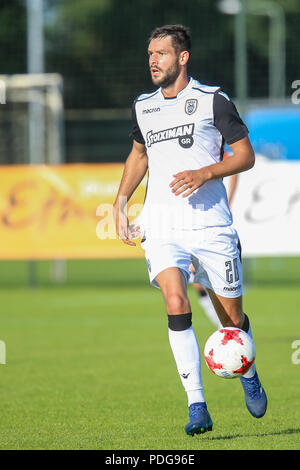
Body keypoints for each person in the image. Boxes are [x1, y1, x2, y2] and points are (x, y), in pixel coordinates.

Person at [113, 24, 267, 436]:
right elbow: (138, 156)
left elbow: (246, 156)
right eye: (149, 54)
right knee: (176, 300)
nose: (153, 60)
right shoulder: (143, 106)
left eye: (161, 53)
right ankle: (196, 404)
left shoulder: (212, 100)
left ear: (182, 57)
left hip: (211, 224)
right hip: (162, 224)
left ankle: (245, 368)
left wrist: (206, 171)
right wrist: (121, 201)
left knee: (231, 320)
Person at [190, 168, 238, 329]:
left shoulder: (211, 149)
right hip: (186, 222)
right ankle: (222, 325)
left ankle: (227, 326)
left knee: (210, 279)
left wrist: (228, 201)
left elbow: (233, 164)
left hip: (210, 223)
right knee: (197, 282)